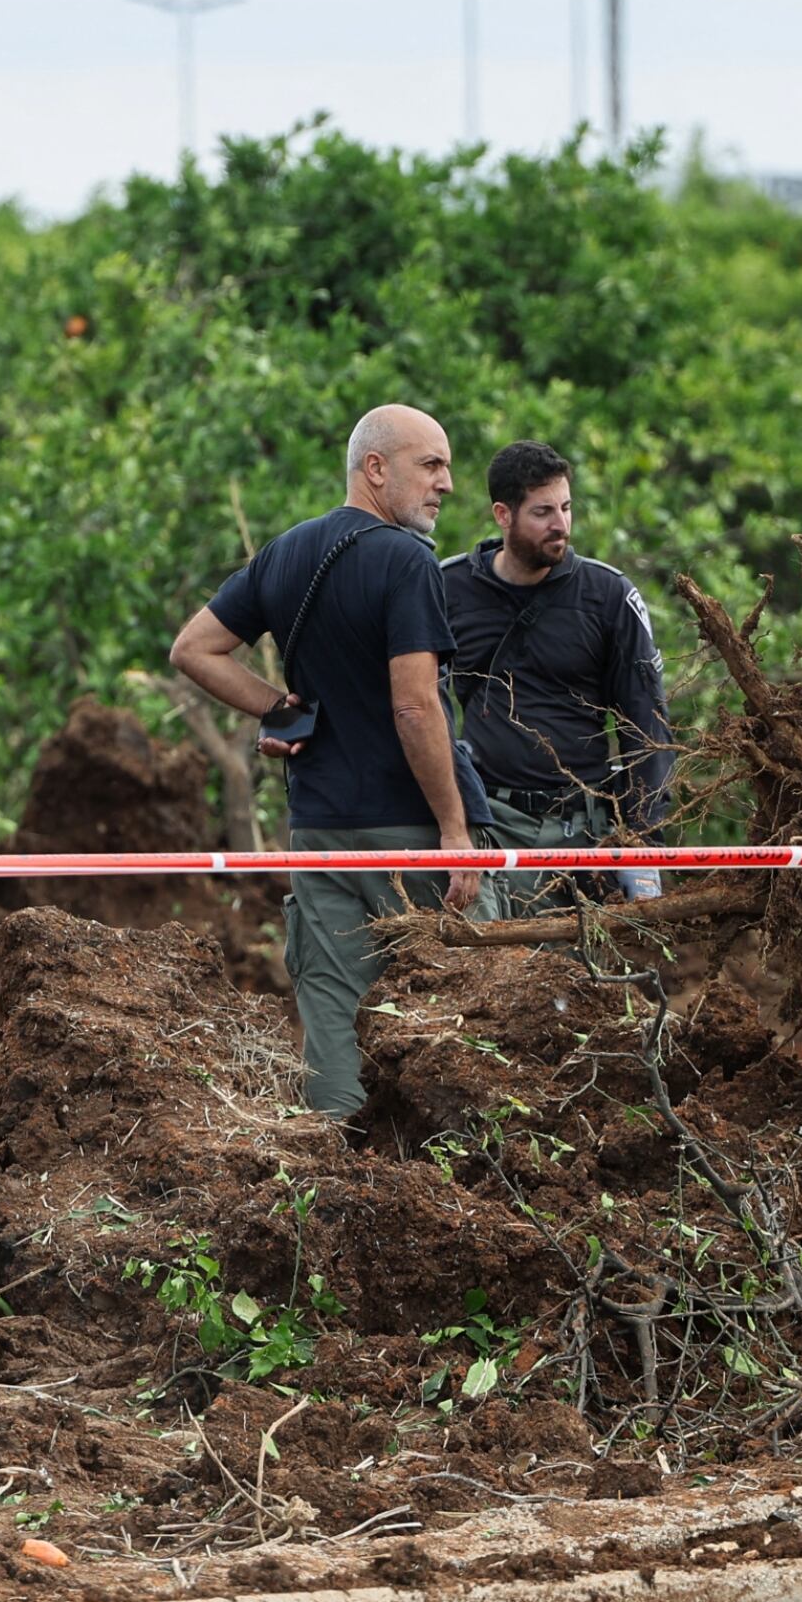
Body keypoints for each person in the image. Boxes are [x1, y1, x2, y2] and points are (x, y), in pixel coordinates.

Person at [170, 403, 486, 1120]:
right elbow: (415, 707)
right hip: (410, 836)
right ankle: (459, 1183)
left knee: (334, 1020)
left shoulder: (286, 552)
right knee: (457, 1013)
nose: (448, 483)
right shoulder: (405, 559)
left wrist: (278, 709)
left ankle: (338, 1177)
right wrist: (455, 829)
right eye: (431, 464)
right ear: (375, 468)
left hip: (320, 832)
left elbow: (195, 649)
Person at [440, 441, 675, 917]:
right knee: (488, 975)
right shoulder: (447, 588)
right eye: (543, 512)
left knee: (584, 983)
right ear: (503, 515)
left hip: (581, 830)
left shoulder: (609, 595)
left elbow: (646, 725)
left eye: (566, 508)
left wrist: (642, 845)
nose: (561, 525)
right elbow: (419, 706)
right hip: (488, 825)